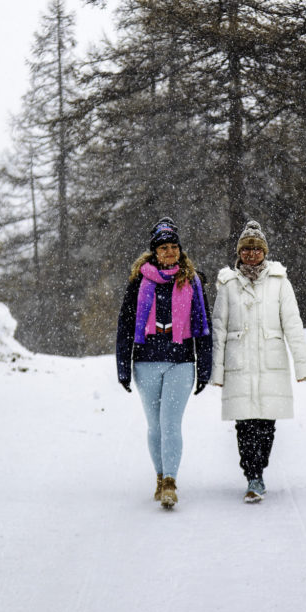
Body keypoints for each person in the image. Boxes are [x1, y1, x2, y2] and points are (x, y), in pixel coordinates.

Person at [210, 219, 306, 502]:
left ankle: (260, 470)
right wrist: (216, 372)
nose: (252, 254)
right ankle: (252, 476)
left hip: (271, 362)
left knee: (266, 424)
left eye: (257, 249)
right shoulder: (229, 285)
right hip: (239, 362)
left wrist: (302, 366)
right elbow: (219, 329)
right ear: (239, 252)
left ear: (265, 252)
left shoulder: (280, 283)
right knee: (244, 424)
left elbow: (292, 324)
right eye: (247, 249)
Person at [116, 218, 212, 508]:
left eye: (174, 247)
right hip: (146, 362)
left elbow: (203, 326)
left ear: (180, 250)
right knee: (154, 426)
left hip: (181, 361)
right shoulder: (139, 282)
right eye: (164, 248)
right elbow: (125, 325)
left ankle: (170, 482)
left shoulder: (192, 281)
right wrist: (122, 367)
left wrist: (204, 367)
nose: (170, 252)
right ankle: (159, 477)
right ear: (154, 252)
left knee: (171, 423)